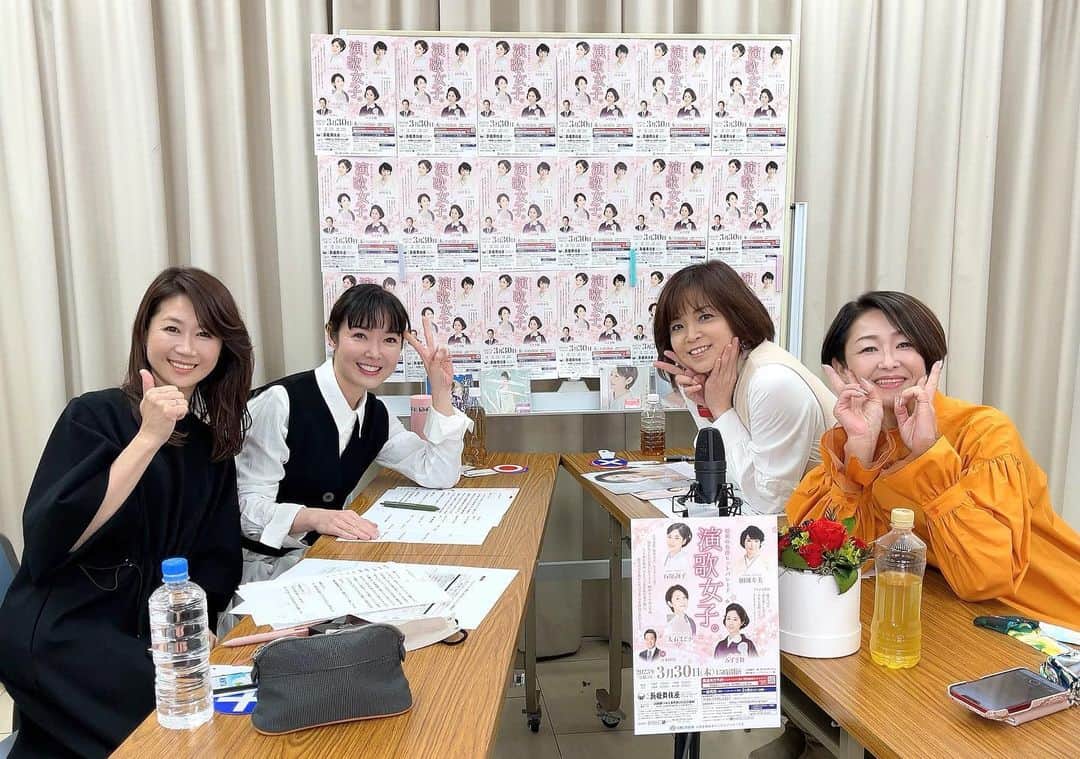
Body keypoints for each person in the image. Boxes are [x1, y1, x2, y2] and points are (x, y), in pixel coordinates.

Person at [0, 268, 254, 758]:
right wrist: (148, 437)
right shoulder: (94, 415)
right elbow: (53, 540)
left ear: (223, 348)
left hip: (154, 639)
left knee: (240, 716)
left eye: (205, 334)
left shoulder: (209, 446)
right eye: (172, 328)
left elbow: (216, 561)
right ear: (145, 333)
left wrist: (195, 631)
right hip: (67, 631)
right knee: (190, 741)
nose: (187, 348)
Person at [787, 291, 1080, 628]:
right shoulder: (857, 442)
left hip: (1051, 619)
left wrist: (928, 454)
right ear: (842, 368)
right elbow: (823, 561)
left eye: (905, 345)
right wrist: (858, 460)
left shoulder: (983, 431)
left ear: (929, 357)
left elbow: (985, 576)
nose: (888, 362)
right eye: (869, 349)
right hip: (961, 619)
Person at [234, 286, 468, 586]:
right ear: (332, 336)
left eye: (389, 340)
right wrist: (316, 517)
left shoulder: (374, 413)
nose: (375, 352)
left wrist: (441, 390)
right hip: (259, 570)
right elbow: (246, 509)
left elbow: (439, 474)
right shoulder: (281, 402)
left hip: (324, 558)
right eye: (360, 336)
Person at [652, 261, 836, 515]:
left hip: (842, 531)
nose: (691, 335)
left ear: (736, 316)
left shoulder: (771, 382)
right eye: (677, 326)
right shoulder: (718, 379)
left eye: (705, 317)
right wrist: (705, 407)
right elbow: (721, 474)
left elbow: (770, 502)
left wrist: (720, 410)